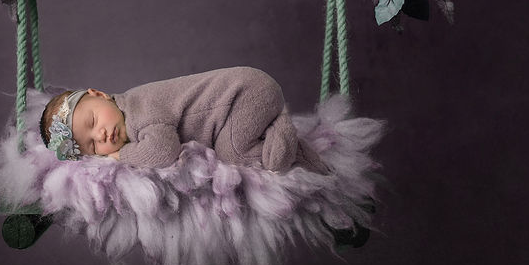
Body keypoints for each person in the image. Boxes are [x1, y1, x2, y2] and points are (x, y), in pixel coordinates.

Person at [39, 66, 329, 173]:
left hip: (248, 93)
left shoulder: (139, 112)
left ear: (99, 94)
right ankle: (270, 127)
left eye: (92, 122)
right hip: (235, 106)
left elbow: (164, 152)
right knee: (231, 145)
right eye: (91, 146)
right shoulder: (125, 110)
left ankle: (281, 128)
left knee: (237, 155)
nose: (100, 135)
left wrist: (119, 156)